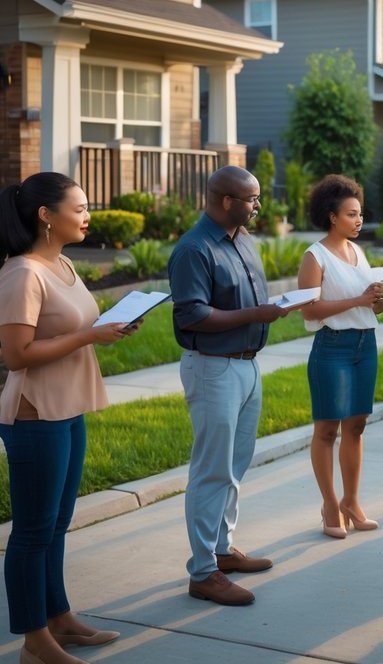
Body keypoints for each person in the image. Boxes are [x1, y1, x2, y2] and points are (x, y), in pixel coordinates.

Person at [0, 173, 139, 664]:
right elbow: (16, 355)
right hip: (35, 413)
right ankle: (34, 642)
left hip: (68, 406)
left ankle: (59, 618)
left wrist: (109, 327)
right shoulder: (23, 273)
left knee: (57, 524)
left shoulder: (61, 264)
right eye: (78, 208)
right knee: (34, 530)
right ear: (45, 215)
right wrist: (88, 338)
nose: (87, 216)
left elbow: (77, 326)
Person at [168, 165, 290, 607]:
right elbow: (193, 316)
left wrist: (269, 309)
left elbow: (248, 302)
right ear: (225, 201)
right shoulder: (194, 249)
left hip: (247, 366)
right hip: (212, 368)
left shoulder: (243, 240)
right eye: (251, 199)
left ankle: (221, 551)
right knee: (211, 470)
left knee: (235, 466)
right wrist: (256, 316)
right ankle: (202, 573)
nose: (258, 206)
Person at [297, 175, 383, 538]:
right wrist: (359, 300)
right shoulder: (314, 256)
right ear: (332, 216)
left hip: (365, 345)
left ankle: (352, 501)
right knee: (327, 429)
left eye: (360, 214)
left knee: (356, 426)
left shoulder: (358, 252)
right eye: (352, 214)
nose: (358, 220)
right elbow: (309, 311)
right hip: (332, 348)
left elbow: (371, 308)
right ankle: (330, 504)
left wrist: (376, 302)